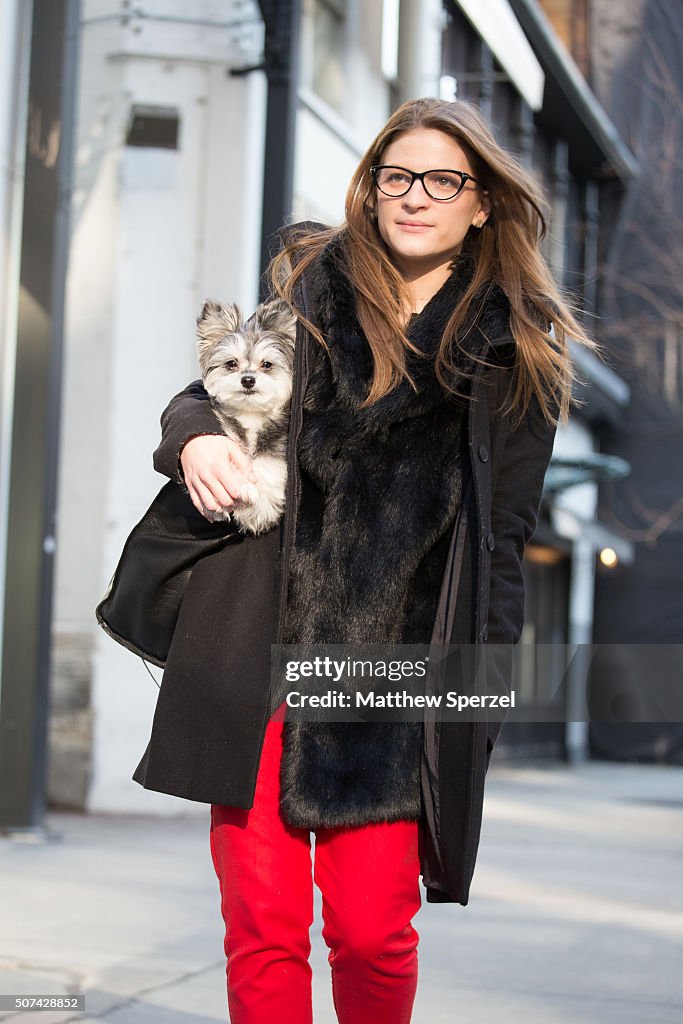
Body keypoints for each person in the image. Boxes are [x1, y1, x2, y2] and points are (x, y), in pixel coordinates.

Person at [133, 98, 596, 1023]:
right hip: (255, 644)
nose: (414, 196)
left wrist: (475, 698)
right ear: (370, 189)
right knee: (261, 922)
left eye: (442, 181)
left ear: (482, 206)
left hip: (391, 674)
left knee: (371, 930)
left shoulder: (515, 357)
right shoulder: (308, 299)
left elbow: (502, 544)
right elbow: (201, 392)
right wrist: (192, 440)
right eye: (396, 177)